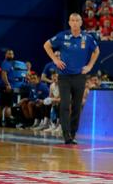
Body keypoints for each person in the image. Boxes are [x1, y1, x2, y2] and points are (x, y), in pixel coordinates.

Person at [43, 13, 100, 144]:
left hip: (80, 76)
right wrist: (55, 60)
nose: (74, 23)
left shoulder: (87, 38)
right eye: (72, 20)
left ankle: (73, 133)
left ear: (81, 23)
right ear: (69, 23)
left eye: (77, 20)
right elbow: (46, 45)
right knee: (64, 105)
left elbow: (97, 51)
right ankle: (66, 135)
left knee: (76, 105)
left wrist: (90, 66)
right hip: (64, 76)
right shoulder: (62, 36)